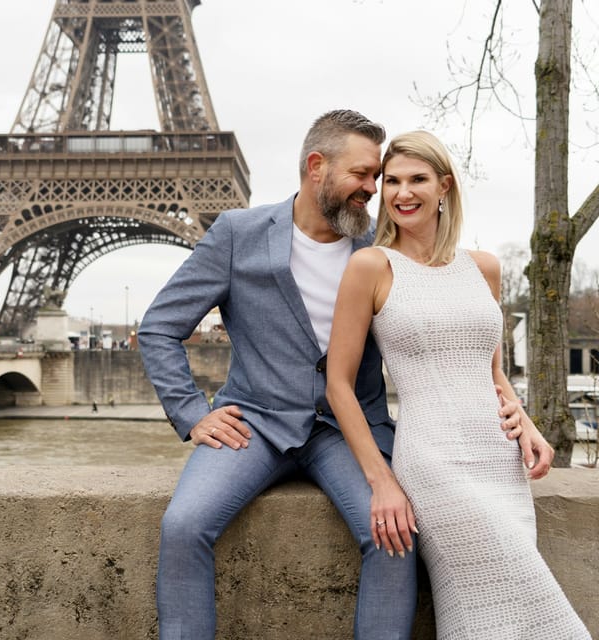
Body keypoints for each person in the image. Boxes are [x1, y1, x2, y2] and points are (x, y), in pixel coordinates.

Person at [138, 110, 531, 640]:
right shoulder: (237, 233)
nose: (375, 189)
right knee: (183, 526)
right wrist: (191, 414)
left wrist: (511, 410)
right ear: (316, 166)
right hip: (254, 424)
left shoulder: (382, 251)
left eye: (380, 178)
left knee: (395, 535)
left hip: (351, 430)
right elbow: (160, 327)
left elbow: (458, 345)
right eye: (365, 175)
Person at [326, 130, 590, 639]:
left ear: (444, 186)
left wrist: (526, 420)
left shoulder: (484, 267)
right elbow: (338, 384)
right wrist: (382, 482)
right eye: (392, 181)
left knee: (483, 615)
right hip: (434, 462)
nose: (403, 192)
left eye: (418, 179)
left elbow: (490, 370)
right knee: (531, 595)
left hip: (499, 457)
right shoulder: (371, 266)